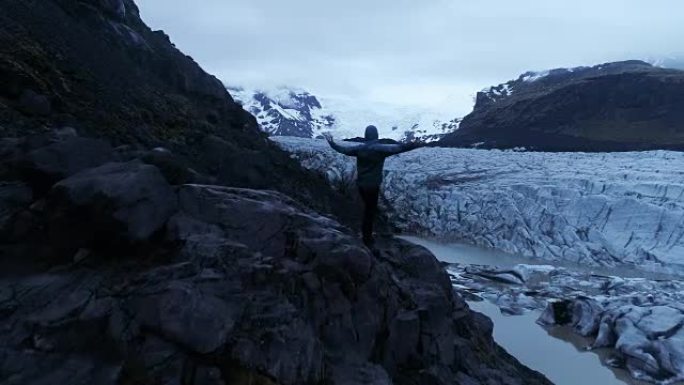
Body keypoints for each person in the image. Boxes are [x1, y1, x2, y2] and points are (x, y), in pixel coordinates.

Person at [323, 125, 423, 248]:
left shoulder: (359, 149)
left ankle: (366, 234)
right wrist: (414, 145)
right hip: (373, 186)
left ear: (366, 135)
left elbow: (342, 149)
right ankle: (367, 238)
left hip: (361, 185)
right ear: (376, 135)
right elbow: (398, 148)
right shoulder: (380, 149)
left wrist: (331, 143)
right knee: (370, 211)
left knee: (367, 210)